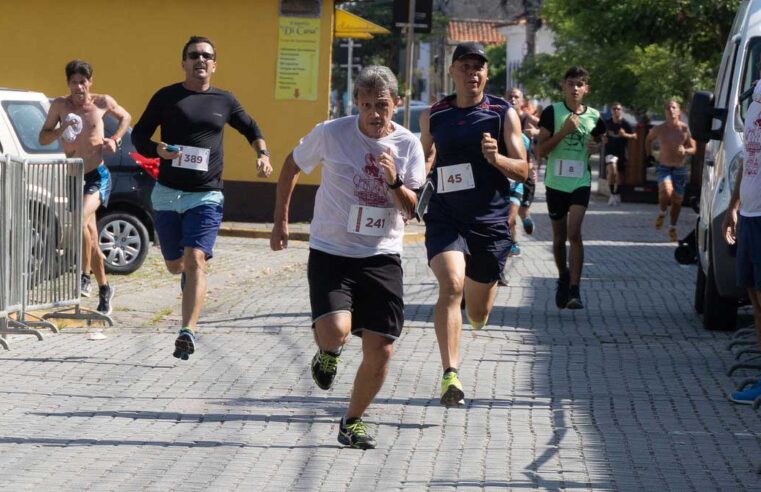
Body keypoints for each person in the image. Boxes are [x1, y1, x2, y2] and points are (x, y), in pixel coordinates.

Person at [270, 66, 425, 449]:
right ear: (355, 102)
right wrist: (281, 222)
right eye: (367, 104)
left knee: (382, 346)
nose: (374, 114)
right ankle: (327, 352)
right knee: (336, 331)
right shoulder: (332, 132)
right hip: (332, 250)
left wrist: (394, 182)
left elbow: (412, 209)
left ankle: (352, 420)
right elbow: (291, 165)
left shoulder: (408, 146)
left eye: (383, 105)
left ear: (397, 104)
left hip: (382, 254)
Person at [132, 36, 272, 360]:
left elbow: (251, 128)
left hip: (206, 195)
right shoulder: (166, 97)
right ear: (183, 63)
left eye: (207, 56)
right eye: (194, 55)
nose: (200, 60)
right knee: (174, 264)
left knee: (195, 259)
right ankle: (186, 278)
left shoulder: (225, 100)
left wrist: (262, 155)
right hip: (168, 193)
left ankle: (187, 330)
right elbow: (139, 134)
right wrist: (157, 149)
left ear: (214, 64)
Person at [419, 43, 527, 407]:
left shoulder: (502, 113)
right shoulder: (434, 114)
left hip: (490, 221)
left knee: (478, 313)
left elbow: (524, 170)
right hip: (447, 215)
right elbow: (424, 158)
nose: (472, 73)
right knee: (450, 285)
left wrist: (497, 159)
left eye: (478, 67)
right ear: (452, 72)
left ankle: (474, 309)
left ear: (486, 74)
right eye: (465, 66)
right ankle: (451, 375)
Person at [39, 60, 131, 316]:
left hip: (96, 176)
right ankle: (105, 288)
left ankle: (84, 276)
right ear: (67, 83)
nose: (78, 87)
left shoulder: (101, 103)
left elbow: (125, 117)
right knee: (90, 240)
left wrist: (115, 139)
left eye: (83, 81)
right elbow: (42, 136)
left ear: (90, 82)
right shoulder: (59, 105)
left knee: (79, 220)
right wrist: (60, 131)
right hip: (73, 177)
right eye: (73, 82)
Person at [535, 66, 606, 310]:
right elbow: (540, 150)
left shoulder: (595, 116)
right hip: (556, 182)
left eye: (580, 84)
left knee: (574, 232)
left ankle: (575, 289)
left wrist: (596, 146)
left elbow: (599, 140)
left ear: (586, 88)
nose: (575, 88)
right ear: (563, 86)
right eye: (570, 83)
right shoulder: (552, 113)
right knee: (559, 238)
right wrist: (564, 131)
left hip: (580, 181)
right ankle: (563, 275)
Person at [725, 81, 761, 404]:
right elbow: (748, 160)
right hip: (749, 211)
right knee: (754, 296)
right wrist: (733, 207)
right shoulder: (753, 103)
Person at [645, 98, 696, 242]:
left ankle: (672, 227)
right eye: (668, 108)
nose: (671, 110)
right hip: (664, 166)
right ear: (665, 112)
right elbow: (648, 140)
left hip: (680, 169)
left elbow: (694, 148)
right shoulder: (659, 129)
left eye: (673, 107)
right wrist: (649, 156)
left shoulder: (685, 129)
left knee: (677, 202)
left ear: (679, 111)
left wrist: (685, 150)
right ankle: (662, 212)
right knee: (666, 190)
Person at [506, 87, 539, 235]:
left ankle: (526, 218)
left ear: (522, 101)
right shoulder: (503, 116)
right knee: (512, 209)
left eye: (516, 97)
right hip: (510, 170)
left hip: (527, 166)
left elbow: (547, 128)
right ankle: (513, 241)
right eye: (510, 96)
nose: (513, 99)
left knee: (522, 210)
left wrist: (536, 132)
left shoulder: (527, 118)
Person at [603, 102, 637, 206]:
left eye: (618, 109)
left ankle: (617, 194)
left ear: (621, 111)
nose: (616, 111)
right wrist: (603, 138)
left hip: (622, 152)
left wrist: (625, 134)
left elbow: (635, 136)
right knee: (612, 170)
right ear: (611, 111)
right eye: (614, 109)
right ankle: (612, 194)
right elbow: (599, 135)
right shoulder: (607, 123)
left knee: (620, 176)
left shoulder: (625, 123)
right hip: (610, 151)